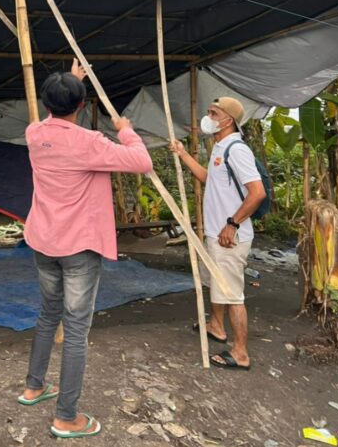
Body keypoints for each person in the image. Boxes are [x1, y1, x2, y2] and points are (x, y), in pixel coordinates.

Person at [18, 60, 153, 439]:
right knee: (76, 329)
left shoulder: (34, 134)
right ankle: (66, 416)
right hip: (78, 246)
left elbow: (57, 115)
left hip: (44, 242)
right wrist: (126, 131)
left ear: (46, 103)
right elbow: (142, 162)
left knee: (49, 314)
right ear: (80, 105)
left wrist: (71, 81)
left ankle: (34, 387)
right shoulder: (90, 143)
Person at [170, 96, 266, 370]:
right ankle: (216, 326)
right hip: (217, 234)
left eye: (213, 113)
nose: (208, 117)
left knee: (233, 294)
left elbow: (257, 193)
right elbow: (208, 179)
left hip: (230, 237)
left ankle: (240, 353)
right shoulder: (220, 148)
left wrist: (232, 224)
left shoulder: (237, 150)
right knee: (215, 282)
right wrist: (183, 154)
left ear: (228, 121)